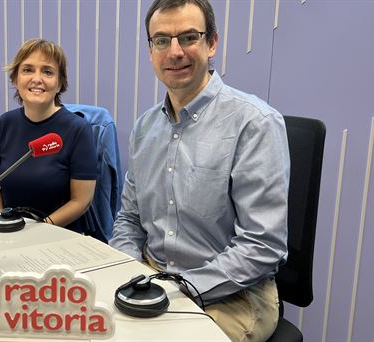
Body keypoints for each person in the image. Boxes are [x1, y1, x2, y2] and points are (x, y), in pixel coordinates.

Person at [108, 0, 290, 341]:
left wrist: (179, 288)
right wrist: (127, 272)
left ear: (212, 43)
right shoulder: (145, 127)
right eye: (161, 40)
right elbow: (129, 220)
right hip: (151, 277)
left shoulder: (255, 123)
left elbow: (263, 245)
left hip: (233, 295)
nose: (174, 51)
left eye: (188, 37)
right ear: (151, 51)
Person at [0, 38, 97, 229]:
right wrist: (1, 219)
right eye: (27, 70)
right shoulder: (4, 124)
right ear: (16, 79)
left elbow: (81, 201)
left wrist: (39, 229)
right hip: (11, 233)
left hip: (57, 235)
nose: (37, 78)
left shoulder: (78, 129)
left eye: (47, 72)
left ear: (59, 84)